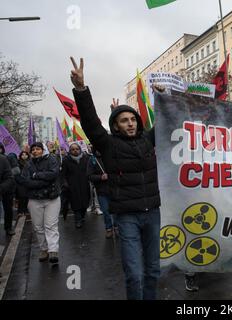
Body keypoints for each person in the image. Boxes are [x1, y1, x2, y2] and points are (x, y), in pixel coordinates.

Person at [70, 57, 160, 300]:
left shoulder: (148, 140)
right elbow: (89, 122)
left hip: (152, 213)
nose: (130, 123)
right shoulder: (108, 144)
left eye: (132, 119)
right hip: (127, 216)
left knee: (153, 270)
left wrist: (163, 97)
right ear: (116, 126)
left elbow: (169, 118)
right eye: (124, 120)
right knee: (134, 274)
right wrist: (81, 89)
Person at [18, 142, 61, 263]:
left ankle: (53, 251)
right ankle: (43, 249)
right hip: (34, 200)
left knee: (50, 225)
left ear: (43, 150)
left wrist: (36, 175)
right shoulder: (28, 164)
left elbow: (53, 174)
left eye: (38, 149)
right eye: (33, 149)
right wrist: (42, 181)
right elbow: (25, 181)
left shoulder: (51, 160)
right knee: (38, 227)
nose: (35, 151)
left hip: (51, 198)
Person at [87, 147, 117, 238]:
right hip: (102, 190)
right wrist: (100, 177)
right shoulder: (92, 160)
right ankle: (108, 229)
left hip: (114, 188)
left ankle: (117, 227)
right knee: (106, 211)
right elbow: (89, 175)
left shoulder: (111, 156)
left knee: (116, 210)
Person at [62, 142, 91, 229]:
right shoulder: (66, 160)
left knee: (85, 202)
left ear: (80, 149)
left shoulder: (86, 158)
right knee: (75, 202)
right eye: (73, 149)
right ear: (70, 151)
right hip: (72, 185)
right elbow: (63, 174)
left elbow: (89, 171)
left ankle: (82, 216)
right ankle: (78, 219)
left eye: (77, 149)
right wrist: (65, 183)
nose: (75, 151)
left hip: (84, 184)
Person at [0, 149, 14, 237]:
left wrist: (1, 188)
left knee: (8, 209)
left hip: (5, 191)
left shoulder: (3, 159)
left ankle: (8, 227)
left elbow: (10, 178)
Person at [16, 151, 30, 217]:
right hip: (20, 183)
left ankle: (26, 210)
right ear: (20, 156)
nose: (24, 156)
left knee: (27, 197)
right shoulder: (18, 163)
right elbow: (17, 173)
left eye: (26, 155)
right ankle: (20, 211)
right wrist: (21, 180)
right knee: (21, 197)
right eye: (23, 155)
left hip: (28, 182)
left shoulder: (30, 163)